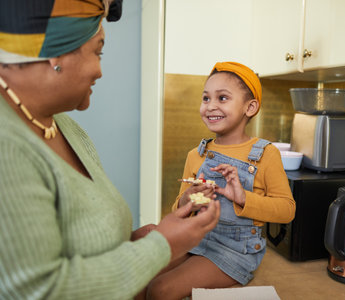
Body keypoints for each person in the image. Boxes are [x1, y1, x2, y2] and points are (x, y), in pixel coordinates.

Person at [0, 1, 220, 299]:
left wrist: (133, 242)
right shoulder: (7, 147)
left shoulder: (65, 127)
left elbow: (75, 239)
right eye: (97, 51)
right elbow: (41, 289)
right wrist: (162, 246)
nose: (100, 70)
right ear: (56, 53)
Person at [146, 62, 296, 299]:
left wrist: (242, 197)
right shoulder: (196, 155)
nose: (211, 106)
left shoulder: (266, 154)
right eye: (206, 98)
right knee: (143, 279)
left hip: (236, 251)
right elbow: (179, 208)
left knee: (160, 290)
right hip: (196, 239)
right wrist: (190, 198)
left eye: (222, 98)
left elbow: (287, 210)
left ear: (250, 107)